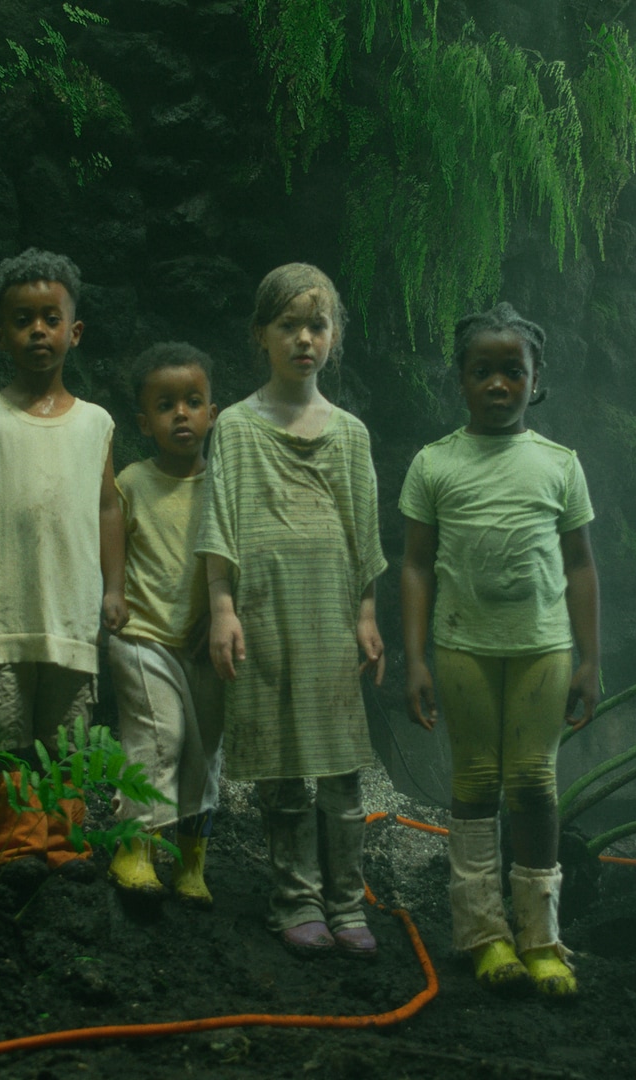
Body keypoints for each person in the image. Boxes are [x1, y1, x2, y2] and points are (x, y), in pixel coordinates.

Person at [398, 301, 600, 997]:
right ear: (461, 380)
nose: (497, 384)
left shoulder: (560, 466)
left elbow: (580, 567)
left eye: (512, 371)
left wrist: (591, 660)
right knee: (476, 786)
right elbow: (417, 566)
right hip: (462, 649)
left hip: (544, 649)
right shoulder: (434, 463)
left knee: (535, 789)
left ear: (535, 379)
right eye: (482, 371)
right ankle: (484, 937)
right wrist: (416, 656)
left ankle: (541, 940)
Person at [197, 263, 388, 958]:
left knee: (340, 768)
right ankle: (294, 900)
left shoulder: (353, 434)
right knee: (282, 765)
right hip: (267, 611)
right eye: (289, 325)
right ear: (261, 336)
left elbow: (365, 536)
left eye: (318, 324)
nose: (304, 338)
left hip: (331, 616)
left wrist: (367, 616)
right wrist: (223, 608)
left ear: (333, 335)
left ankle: (347, 902)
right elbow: (219, 525)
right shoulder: (238, 430)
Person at [0, 247, 127, 872]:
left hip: (70, 615)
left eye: (49, 317)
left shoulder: (97, 423)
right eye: (22, 319)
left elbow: (108, 509)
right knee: (1, 737)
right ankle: (8, 845)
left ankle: (59, 842)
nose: (37, 330)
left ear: (75, 331)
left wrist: (114, 587)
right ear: (0, 336)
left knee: (66, 743)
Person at [104, 342, 225, 904]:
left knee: (204, 752)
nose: (182, 413)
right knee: (159, 740)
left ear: (212, 413)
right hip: (143, 638)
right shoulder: (131, 482)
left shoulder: (227, 488)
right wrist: (111, 599)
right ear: (144, 422)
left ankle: (190, 860)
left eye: (193, 401)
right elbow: (108, 553)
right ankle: (133, 848)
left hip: (206, 645)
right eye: (166, 404)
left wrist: (228, 615)